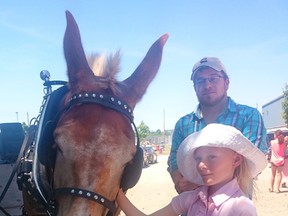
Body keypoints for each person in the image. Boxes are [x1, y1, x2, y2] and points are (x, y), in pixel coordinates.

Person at [116, 124, 267, 216]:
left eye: (211, 157)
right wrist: (115, 191)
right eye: (198, 159)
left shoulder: (242, 208)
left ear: (236, 160)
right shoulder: (192, 198)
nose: (201, 165)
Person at [167, 57, 269, 193]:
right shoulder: (183, 124)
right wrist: (179, 182)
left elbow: (250, 163)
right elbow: (175, 160)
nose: (207, 85)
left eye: (213, 78)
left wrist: (198, 185)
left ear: (227, 83)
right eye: (200, 81)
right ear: (194, 87)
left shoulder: (249, 116)